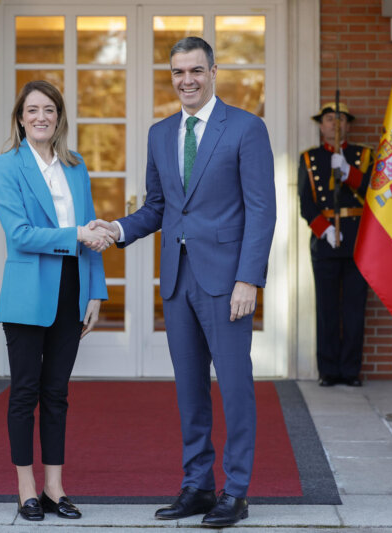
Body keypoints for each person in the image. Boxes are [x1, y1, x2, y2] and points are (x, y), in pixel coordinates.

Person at [92, 37, 276, 527]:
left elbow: (262, 210)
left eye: (196, 70)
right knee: (190, 391)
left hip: (227, 283)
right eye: (178, 72)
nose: (187, 80)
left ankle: (235, 492)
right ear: (170, 76)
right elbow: (159, 207)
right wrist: (116, 230)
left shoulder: (245, 128)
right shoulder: (159, 133)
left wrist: (249, 279)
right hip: (176, 280)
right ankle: (197, 486)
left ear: (213, 71)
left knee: (235, 388)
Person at [0, 80, 112, 522]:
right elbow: (20, 235)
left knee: (57, 393)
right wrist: (76, 234)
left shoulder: (75, 166)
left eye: (49, 109)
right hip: (27, 293)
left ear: (59, 117)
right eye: (32, 110)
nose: (40, 116)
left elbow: (92, 232)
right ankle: (25, 488)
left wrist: (95, 291)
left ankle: (54, 487)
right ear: (20, 117)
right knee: (25, 391)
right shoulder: (7, 166)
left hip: (72, 288)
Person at [297, 102, 373, 387]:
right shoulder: (310, 158)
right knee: (327, 308)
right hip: (326, 240)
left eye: (340, 119)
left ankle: (351, 371)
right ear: (321, 126)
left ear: (348, 125)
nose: (335, 123)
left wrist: (350, 172)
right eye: (329, 119)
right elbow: (306, 203)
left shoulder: (363, 156)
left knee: (355, 308)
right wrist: (324, 229)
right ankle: (328, 370)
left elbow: (375, 194)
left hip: (357, 240)